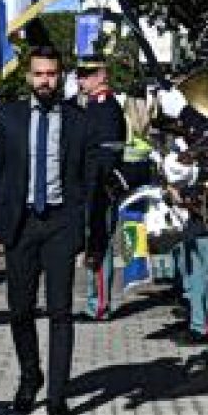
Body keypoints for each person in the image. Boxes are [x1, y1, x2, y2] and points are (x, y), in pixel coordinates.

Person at [0, 45, 94, 415]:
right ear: (28, 77)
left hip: (60, 223)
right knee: (20, 310)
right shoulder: (8, 118)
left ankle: (57, 397)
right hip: (20, 224)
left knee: (61, 312)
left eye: (52, 74)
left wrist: (87, 233)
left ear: (62, 75)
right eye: (39, 74)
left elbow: (89, 180)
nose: (46, 81)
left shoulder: (78, 120)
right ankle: (31, 376)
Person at [73, 54, 126, 322]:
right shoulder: (92, 106)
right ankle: (96, 300)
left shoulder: (106, 108)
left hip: (102, 187)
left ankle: (101, 304)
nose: (81, 81)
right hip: (90, 186)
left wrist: (94, 185)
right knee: (93, 242)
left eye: (87, 75)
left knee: (100, 242)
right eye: (80, 75)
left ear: (101, 75)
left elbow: (107, 154)